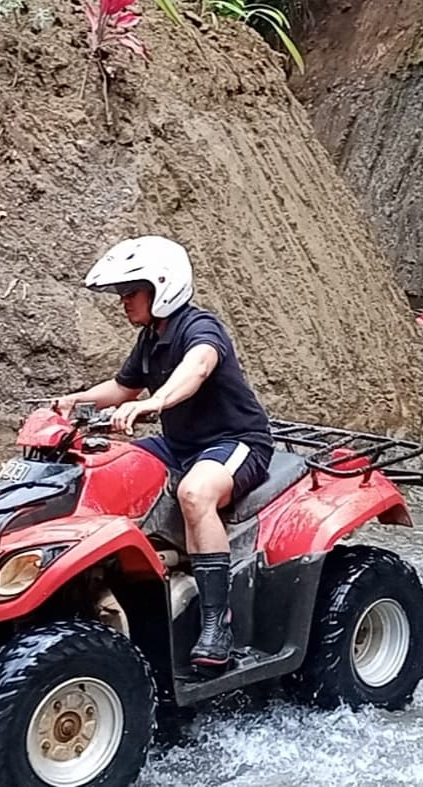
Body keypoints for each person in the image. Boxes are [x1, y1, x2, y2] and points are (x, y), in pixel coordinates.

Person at [56, 236, 274, 669]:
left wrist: (154, 404)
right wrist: (70, 402)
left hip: (234, 441)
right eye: (122, 294)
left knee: (195, 493)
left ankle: (217, 622)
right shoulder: (150, 337)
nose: (124, 302)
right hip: (178, 444)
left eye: (131, 292)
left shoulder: (200, 327)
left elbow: (198, 367)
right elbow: (122, 388)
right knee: (107, 470)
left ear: (162, 287)